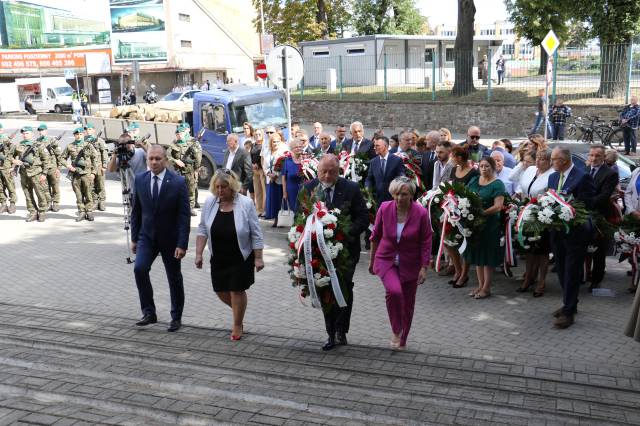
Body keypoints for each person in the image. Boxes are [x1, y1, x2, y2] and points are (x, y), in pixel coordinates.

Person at [302, 155, 369, 350]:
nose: (327, 175)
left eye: (332, 171)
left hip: (346, 251)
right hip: (318, 251)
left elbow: (363, 218)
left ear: (339, 171)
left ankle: (341, 330)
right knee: (325, 289)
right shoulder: (308, 189)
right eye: (323, 171)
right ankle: (330, 333)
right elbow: (301, 217)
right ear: (318, 170)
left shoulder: (351, 188)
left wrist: (343, 234)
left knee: (344, 288)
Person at [195, 169, 264, 340]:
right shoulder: (211, 202)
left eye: (224, 187)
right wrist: (198, 254)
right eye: (217, 187)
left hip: (240, 256)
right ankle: (238, 312)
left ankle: (237, 324)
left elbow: (256, 233)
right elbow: (203, 228)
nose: (220, 191)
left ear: (232, 187)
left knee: (237, 290)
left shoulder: (246, 203)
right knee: (220, 290)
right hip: (218, 256)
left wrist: (258, 257)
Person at [131, 144, 190, 333]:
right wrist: (134, 238)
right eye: (151, 159)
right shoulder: (140, 179)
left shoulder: (178, 182)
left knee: (174, 278)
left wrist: (182, 243)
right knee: (139, 269)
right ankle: (149, 313)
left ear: (165, 160)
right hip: (147, 237)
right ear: (147, 159)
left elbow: (184, 216)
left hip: (170, 240)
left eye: (158, 159)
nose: (154, 162)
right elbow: (136, 212)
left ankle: (176, 317)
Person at [369, 176, 432, 350]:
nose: (399, 198)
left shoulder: (420, 213)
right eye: (396, 194)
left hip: (411, 262)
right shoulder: (384, 208)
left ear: (411, 195)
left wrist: (424, 267)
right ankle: (396, 330)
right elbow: (375, 236)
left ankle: (403, 337)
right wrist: (372, 260)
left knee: (408, 302)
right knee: (394, 292)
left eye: (404, 194)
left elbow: (426, 240)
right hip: (386, 259)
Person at [548, 147, 595, 329]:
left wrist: (568, 209)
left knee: (572, 271)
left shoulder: (582, 176)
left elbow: (587, 203)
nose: (551, 162)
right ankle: (570, 303)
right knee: (560, 268)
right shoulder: (553, 177)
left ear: (565, 161)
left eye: (554, 159)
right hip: (557, 232)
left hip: (576, 233)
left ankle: (568, 313)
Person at [512, 149, 554, 297]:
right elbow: (515, 180)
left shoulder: (553, 174)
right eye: (537, 158)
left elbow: (551, 196)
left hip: (542, 216)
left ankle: (541, 281)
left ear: (550, 162)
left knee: (542, 251)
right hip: (526, 214)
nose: (538, 161)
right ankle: (528, 278)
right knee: (528, 249)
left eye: (542, 159)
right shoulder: (530, 169)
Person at [464, 157, 506, 299]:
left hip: (489, 225)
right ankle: (480, 285)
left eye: (487, 166)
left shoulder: (498, 184)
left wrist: (482, 213)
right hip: (475, 224)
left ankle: (486, 288)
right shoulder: (475, 180)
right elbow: (465, 196)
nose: (483, 169)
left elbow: (498, 206)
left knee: (487, 257)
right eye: (481, 166)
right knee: (478, 254)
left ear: (493, 167)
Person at [585, 145, 619, 291]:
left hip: (600, 216)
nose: (593, 158)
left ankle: (596, 279)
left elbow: (604, 195)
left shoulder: (610, 174)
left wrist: (585, 203)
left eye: (597, 156)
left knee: (599, 250)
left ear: (604, 157)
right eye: (591, 155)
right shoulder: (585, 170)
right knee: (584, 247)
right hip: (584, 214)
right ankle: (584, 274)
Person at [11, 126, 49, 222]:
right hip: (24, 173)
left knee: (40, 193)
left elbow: (46, 160)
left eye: (27, 133)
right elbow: (10, 156)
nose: (25, 135)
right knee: (27, 194)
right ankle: (32, 212)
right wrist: (15, 162)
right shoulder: (19, 145)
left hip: (36, 173)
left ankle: (42, 212)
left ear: (32, 134)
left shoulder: (39, 145)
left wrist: (44, 173)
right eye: (23, 133)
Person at [61, 128, 99, 222]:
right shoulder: (70, 146)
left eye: (81, 134)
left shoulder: (89, 146)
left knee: (88, 193)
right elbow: (62, 158)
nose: (79, 136)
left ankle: (89, 211)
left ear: (83, 135)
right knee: (78, 194)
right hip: (75, 174)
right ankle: (81, 211)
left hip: (87, 174)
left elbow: (95, 160)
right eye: (77, 134)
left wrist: (94, 173)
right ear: (74, 135)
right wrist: (68, 166)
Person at [167, 126, 201, 216]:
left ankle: (190, 208)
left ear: (185, 133)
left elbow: (198, 157)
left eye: (181, 134)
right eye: (177, 134)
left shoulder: (191, 143)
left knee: (190, 190)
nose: (179, 136)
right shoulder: (173, 144)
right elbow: (167, 156)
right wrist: (175, 161)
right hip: (177, 171)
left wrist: (196, 168)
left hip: (189, 171)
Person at [366, 136, 405, 206]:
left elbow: (401, 178)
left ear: (386, 146)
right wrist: (367, 188)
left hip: (393, 199)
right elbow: (369, 178)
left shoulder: (397, 160)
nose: (374, 148)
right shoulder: (373, 162)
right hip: (378, 200)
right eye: (374, 146)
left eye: (377, 146)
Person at [36, 123, 63, 212]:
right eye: (39, 131)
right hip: (42, 167)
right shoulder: (37, 141)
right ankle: (48, 202)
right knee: (45, 186)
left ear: (46, 131)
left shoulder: (52, 140)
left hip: (52, 167)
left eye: (42, 130)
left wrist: (59, 168)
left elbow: (58, 154)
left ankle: (55, 203)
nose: (41, 132)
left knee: (55, 185)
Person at [263, 130, 287, 225]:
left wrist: (276, 174)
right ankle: (275, 218)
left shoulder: (283, 152)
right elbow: (264, 165)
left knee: (279, 199)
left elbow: (284, 166)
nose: (276, 143)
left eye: (277, 141)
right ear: (271, 142)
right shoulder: (267, 152)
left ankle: (281, 219)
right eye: (274, 142)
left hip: (279, 180)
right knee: (272, 200)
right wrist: (268, 174)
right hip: (270, 179)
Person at [84, 124, 108, 211]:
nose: (88, 131)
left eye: (90, 129)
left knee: (100, 184)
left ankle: (102, 201)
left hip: (99, 165)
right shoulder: (84, 140)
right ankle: (95, 201)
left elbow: (104, 153)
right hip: (89, 167)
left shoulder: (99, 140)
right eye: (86, 129)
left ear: (93, 130)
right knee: (92, 185)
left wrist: (104, 166)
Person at [282, 138, 304, 211]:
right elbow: (283, 178)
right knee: (294, 210)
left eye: (300, 147)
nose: (298, 148)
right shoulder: (287, 161)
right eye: (296, 147)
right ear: (292, 149)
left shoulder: (306, 159)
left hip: (304, 190)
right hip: (291, 190)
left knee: (304, 210)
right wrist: (284, 193)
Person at [0, 131, 17, 214]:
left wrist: (13, 167)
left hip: (7, 168)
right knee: (0, 188)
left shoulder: (9, 143)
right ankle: (3, 204)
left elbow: (16, 155)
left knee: (10, 186)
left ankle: (12, 204)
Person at [251, 128, 266, 216]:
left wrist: (259, 165)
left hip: (262, 170)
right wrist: (252, 164)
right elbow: (250, 157)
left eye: (259, 134)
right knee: (257, 191)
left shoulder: (265, 145)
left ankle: (264, 210)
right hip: (255, 170)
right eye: (256, 134)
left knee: (264, 191)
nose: (257, 136)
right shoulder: (253, 145)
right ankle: (258, 209)